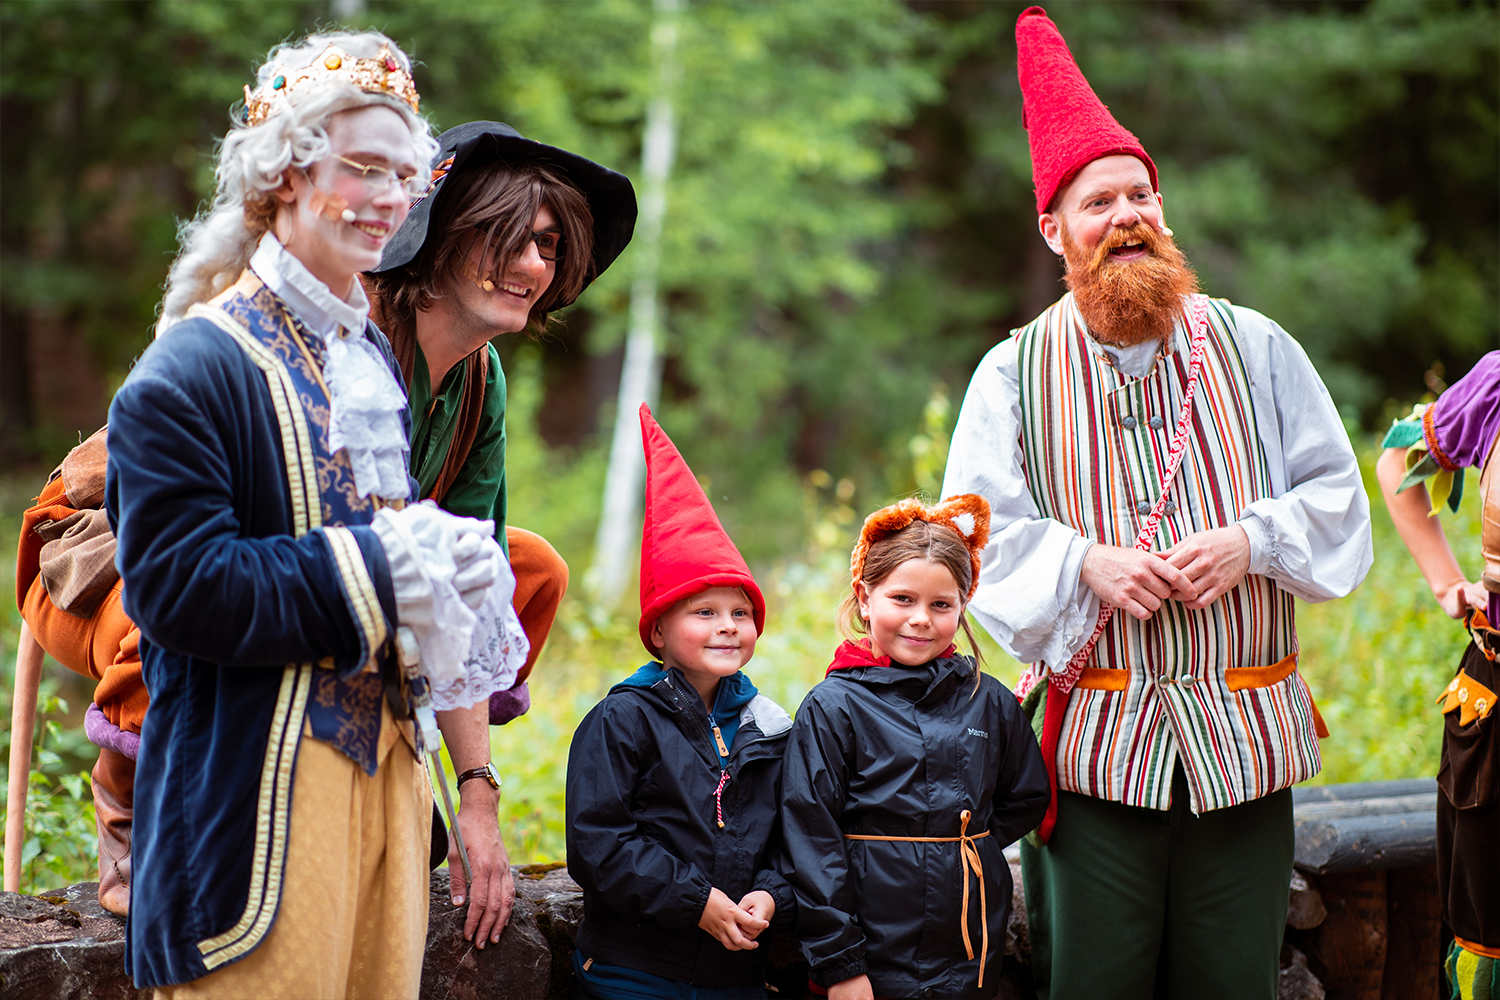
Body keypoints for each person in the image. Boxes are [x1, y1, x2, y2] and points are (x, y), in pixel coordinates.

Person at [940, 8, 1373, 999]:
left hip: (1244, 747)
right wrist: (1083, 562)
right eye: (1099, 202)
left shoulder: (1257, 345)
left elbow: (1339, 503)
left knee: (1232, 984)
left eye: (1141, 194)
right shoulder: (1011, 373)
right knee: (1093, 983)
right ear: (1054, 229)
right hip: (1096, 760)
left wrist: (1252, 539)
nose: (1126, 214)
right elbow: (971, 538)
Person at [105, 32, 519, 996]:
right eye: (362, 168)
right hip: (254, 811)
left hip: (386, 792)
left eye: (403, 175)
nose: (387, 197)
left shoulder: (367, 361)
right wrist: (388, 566)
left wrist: (443, 581)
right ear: (285, 175)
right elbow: (178, 591)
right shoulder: (192, 369)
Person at [364, 120, 636, 943]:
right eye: (507, 240)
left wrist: (476, 794)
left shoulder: (482, 381)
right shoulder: (345, 336)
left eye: (549, 247)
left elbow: (470, 586)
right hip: (128, 569)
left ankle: (402, 765)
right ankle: (136, 798)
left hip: (375, 589)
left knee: (530, 569)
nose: (531, 267)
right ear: (437, 236)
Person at [565, 404, 795, 1000]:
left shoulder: (770, 727)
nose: (728, 627)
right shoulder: (623, 719)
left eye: (740, 613)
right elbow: (598, 844)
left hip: (734, 974)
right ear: (659, 632)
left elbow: (793, 837)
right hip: (633, 973)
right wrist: (695, 903)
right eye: (705, 612)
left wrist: (771, 893)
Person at [778, 496, 1050, 1000]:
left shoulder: (987, 702)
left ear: (963, 604)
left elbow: (1025, 796)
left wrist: (963, 845)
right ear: (865, 597)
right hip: (867, 962)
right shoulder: (834, 707)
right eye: (902, 599)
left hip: (968, 957)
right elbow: (809, 838)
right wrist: (840, 965)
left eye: (941, 604)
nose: (921, 619)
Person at [1376, 354, 1499, 1000]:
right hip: (1495, 705)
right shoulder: (1499, 383)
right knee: (1489, 930)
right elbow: (1399, 458)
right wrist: (1447, 583)